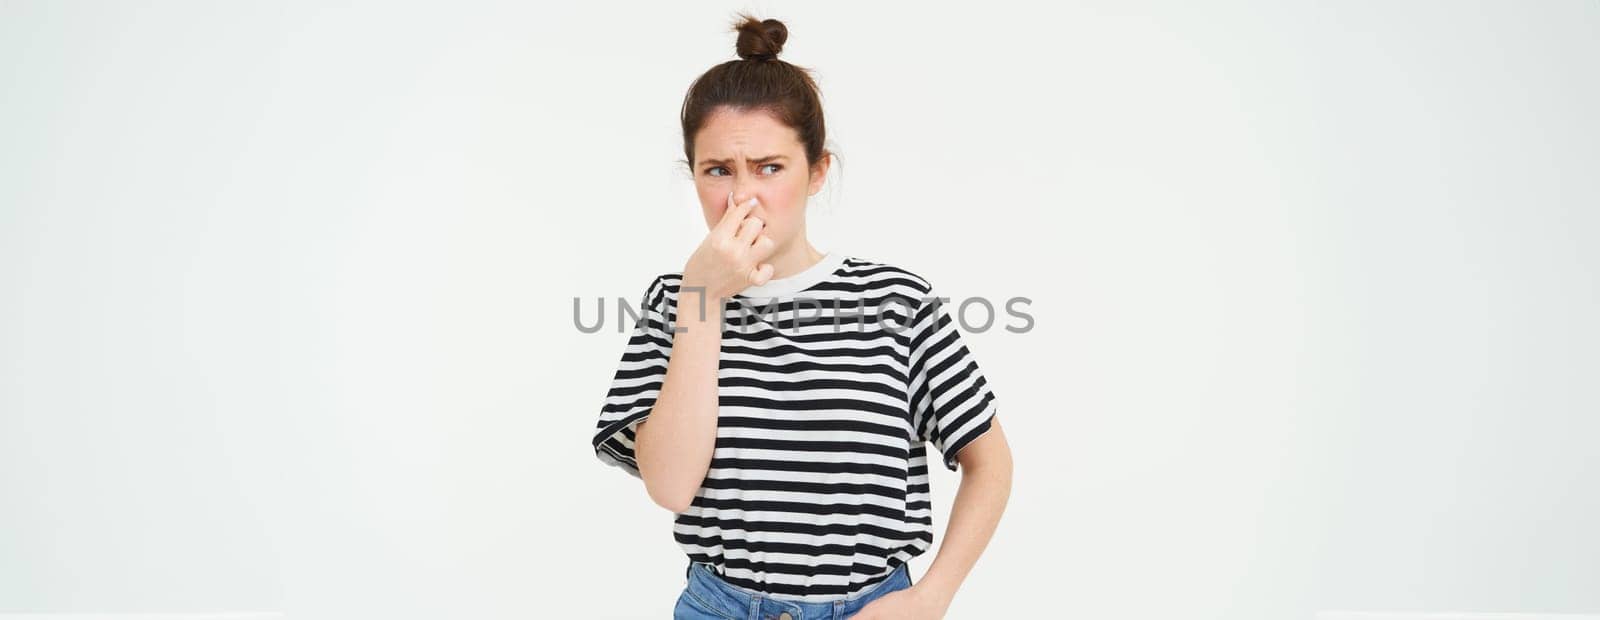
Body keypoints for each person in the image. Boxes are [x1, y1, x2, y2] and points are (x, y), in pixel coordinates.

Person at [592, 13, 1013, 620]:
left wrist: (930, 597)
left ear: (816, 171)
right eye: (718, 171)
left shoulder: (898, 303)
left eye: (770, 167)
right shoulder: (676, 299)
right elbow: (670, 486)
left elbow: (990, 461)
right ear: (694, 179)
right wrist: (704, 300)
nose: (742, 197)